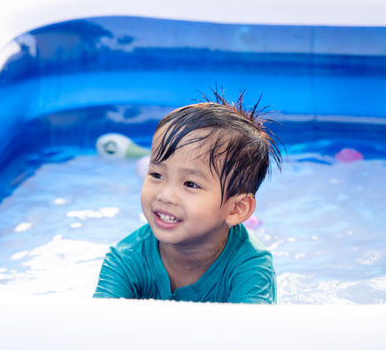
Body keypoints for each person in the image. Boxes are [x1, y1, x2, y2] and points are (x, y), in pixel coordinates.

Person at [93, 94, 282, 303]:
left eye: (190, 184)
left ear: (236, 209)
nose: (165, 195)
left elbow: (252, 333)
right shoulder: (126, 259)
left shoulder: (250, 267)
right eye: (157, 175)